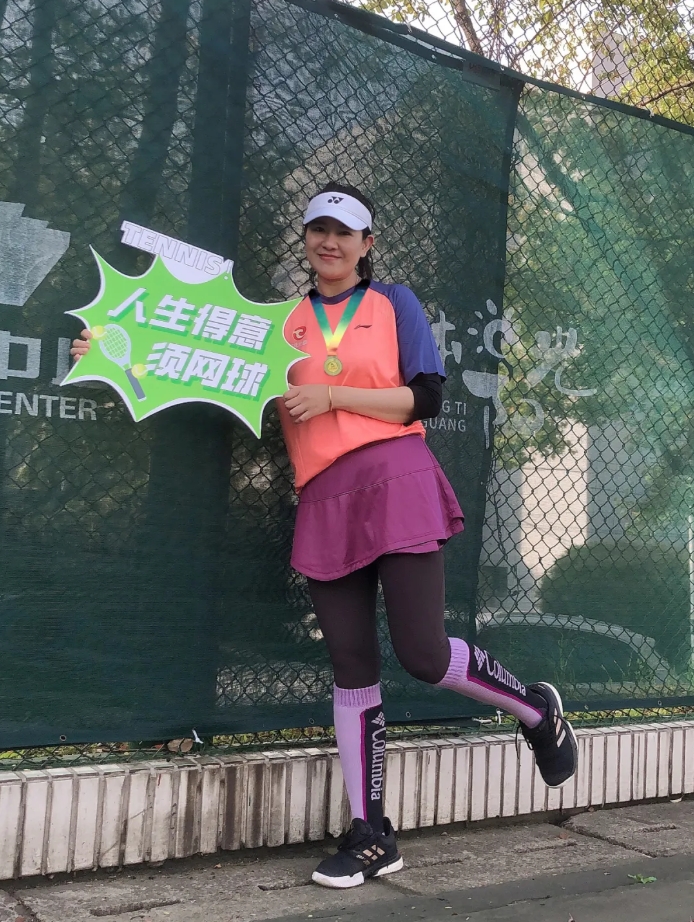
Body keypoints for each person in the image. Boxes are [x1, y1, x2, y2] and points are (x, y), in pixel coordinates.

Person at [72, 181, 577, 891]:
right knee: (350, 665)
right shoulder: (280, 323)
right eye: (318, 229)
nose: (329, 241)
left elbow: (427, 396)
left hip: (397, 479)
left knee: (424, 653)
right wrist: (110, 348)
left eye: (344, 231)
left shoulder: (393, 303)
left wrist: (334, 394)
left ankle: (536, 710)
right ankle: (371, 833)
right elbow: (200, 363)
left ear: (367, 244)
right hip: (324, 498)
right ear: (306, 238)